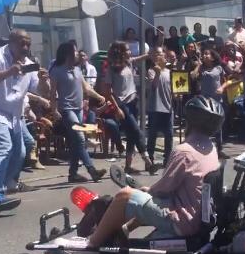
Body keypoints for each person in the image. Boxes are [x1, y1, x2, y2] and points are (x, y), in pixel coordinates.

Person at [75, 96, 223, 249]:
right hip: (197, 218)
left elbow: (163, 190)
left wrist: (148, 190)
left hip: (183, 221)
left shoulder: (185, 152)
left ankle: (91, 243)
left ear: (190, 121)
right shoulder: (211, 148)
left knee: (124, 195)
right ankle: (123, 230)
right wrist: (148, 192)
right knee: (143, 199)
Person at [0, 29, 49, 214]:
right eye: (22, 43)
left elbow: (41, 91)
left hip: (12, 115)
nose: (26, 47)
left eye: (28, 43)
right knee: (2, 147)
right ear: (11, 42)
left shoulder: (29, 64)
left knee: (19, 153)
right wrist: (8, 72)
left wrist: (44, 81)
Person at [48, 42, 108, 183]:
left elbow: (86, 88)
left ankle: (73, 174)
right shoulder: (56, 70)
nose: (77, 54)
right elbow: (52, 93)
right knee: (80, 138)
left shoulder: (77, 70)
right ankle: (92, 170)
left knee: (76, 142)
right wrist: (54, 110)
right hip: (67, 109)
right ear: (67, 54)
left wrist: (98, 96)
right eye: (75, 52)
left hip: (79, 109)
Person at [104, 41, 154, 174]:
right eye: (126, 50)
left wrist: (151, 54)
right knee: (137, 131)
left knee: (132, 135)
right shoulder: (111, 69)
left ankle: (128, 166)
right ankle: (148, 161)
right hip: (122, 105)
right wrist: (117, 109)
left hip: (133, 102)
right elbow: (107, 92)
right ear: (119, 52)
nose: (129, 52)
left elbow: (144, 57)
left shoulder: (129, 62)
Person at [191, 49, 228, 158]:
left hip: (217, 100)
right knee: (205, 124)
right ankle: (204, 147)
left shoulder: (219, 68)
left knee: (218, 124)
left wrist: (222, 87)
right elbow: (193, 76)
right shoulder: (201, 68)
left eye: (207, 54)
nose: (205, 55)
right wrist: (198, 66)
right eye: (204, 54)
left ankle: (219, 148)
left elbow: (226, 80)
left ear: (213, 57)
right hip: (204, 101)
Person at [146, 47, 175, 169]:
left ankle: (167, 159)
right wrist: (157, 73)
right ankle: (150, 159)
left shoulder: (170, 72)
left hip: (168, 108)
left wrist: (177, 95)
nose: (158, 56)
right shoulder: (151, 71)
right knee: (152, 135)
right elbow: (154, 86)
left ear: (165, 56)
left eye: (160, 53)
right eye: (155, 54)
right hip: (155, 108)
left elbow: (174, 89)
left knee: (169, 135)